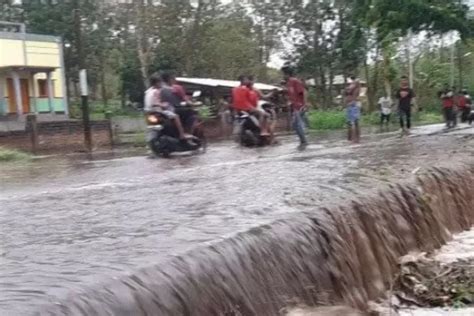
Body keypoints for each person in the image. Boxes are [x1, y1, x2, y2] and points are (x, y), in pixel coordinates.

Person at [145, 72, 189, 141]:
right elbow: (155, 103)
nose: (161, 84)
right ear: (156, 83)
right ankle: (182, 134)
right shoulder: (156, 91)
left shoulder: (147, 91)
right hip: (157, 111)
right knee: (176, 116)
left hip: (148, 112)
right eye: (160, 83)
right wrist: (163, 104)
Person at [282, 66, 308, 149]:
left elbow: (303, 92)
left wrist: (304, 104)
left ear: (287, 74)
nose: (283, 76)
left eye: (284, 74)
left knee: (296, 124)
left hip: (299, 106)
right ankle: (303, 141)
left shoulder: (295, 81)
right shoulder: (289, 82)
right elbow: (291, 94)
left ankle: (303, 142)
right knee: (295, 125)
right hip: (294, 106)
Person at [345, 76, 361, 143]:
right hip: (352, 104)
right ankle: (351, 138)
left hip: (352, 104)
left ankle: (354, 138)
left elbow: (349, 90)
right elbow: (348, 91)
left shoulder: (355, 85)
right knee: (352, 122)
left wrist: (348, 88)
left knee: (353, 122)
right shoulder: (355, 86)